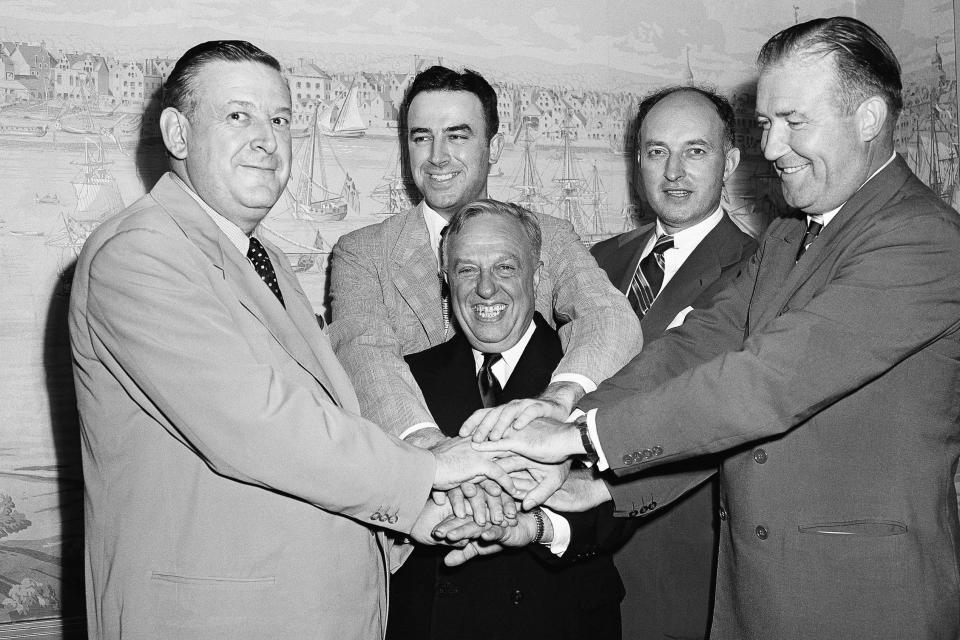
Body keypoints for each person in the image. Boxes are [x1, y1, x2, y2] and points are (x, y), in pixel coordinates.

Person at [475, 17, 960, 639]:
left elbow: (765, 383)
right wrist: (576, 433)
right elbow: (698, 343)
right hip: (755, 598)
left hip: (863, 603)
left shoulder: (924, 241)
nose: (773, 147)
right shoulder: (789, 234)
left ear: (867, 119)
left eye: (793, 122)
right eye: (764, 124)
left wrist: (582, 438)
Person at [68, 40, 513, 640]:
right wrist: (425, 470)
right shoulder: (140, 252)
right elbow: (259, 424)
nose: (266, 138)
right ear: (176, 134)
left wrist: (416, 516)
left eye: (279, 119)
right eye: (238, 115)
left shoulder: (263, 257)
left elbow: (320, 415)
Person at [327, 65, 642, 469]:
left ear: (493, 148)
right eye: (422, 137)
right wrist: (433, 452)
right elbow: (365, 356)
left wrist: (557, 400)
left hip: (535, 482)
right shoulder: (362, 253)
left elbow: (609, 318)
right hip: (421, 485)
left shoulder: (552, 235)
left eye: (457, 136)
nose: (437, 157)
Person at [387, 200, 624, 640]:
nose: (485, 289)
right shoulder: (404, 382)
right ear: (445, 280)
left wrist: (538, 526)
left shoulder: (592, 371)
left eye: (505, 268)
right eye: (465, 270)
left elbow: (625, 502)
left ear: (536, 276)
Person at [589, 86, 757, 640]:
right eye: (656, 151)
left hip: (678, 552)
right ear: (637, 161)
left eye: (695, 151)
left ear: (729, 162)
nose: (674, 172)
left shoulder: (758, 273)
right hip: (576, 551)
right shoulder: (598, 261)